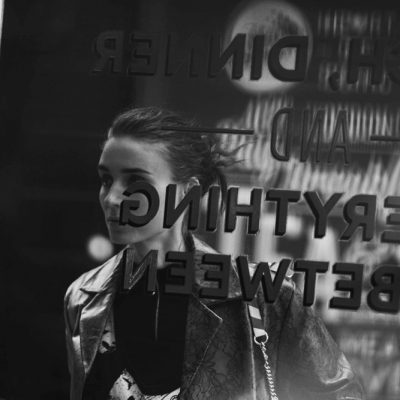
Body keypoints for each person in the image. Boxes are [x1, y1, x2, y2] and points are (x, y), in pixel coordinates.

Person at [64, 106, 364, 400]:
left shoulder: (266, 295)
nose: (112, 198)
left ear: (188, 192)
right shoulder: (83, 297)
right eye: (106, 180)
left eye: (135, 181)